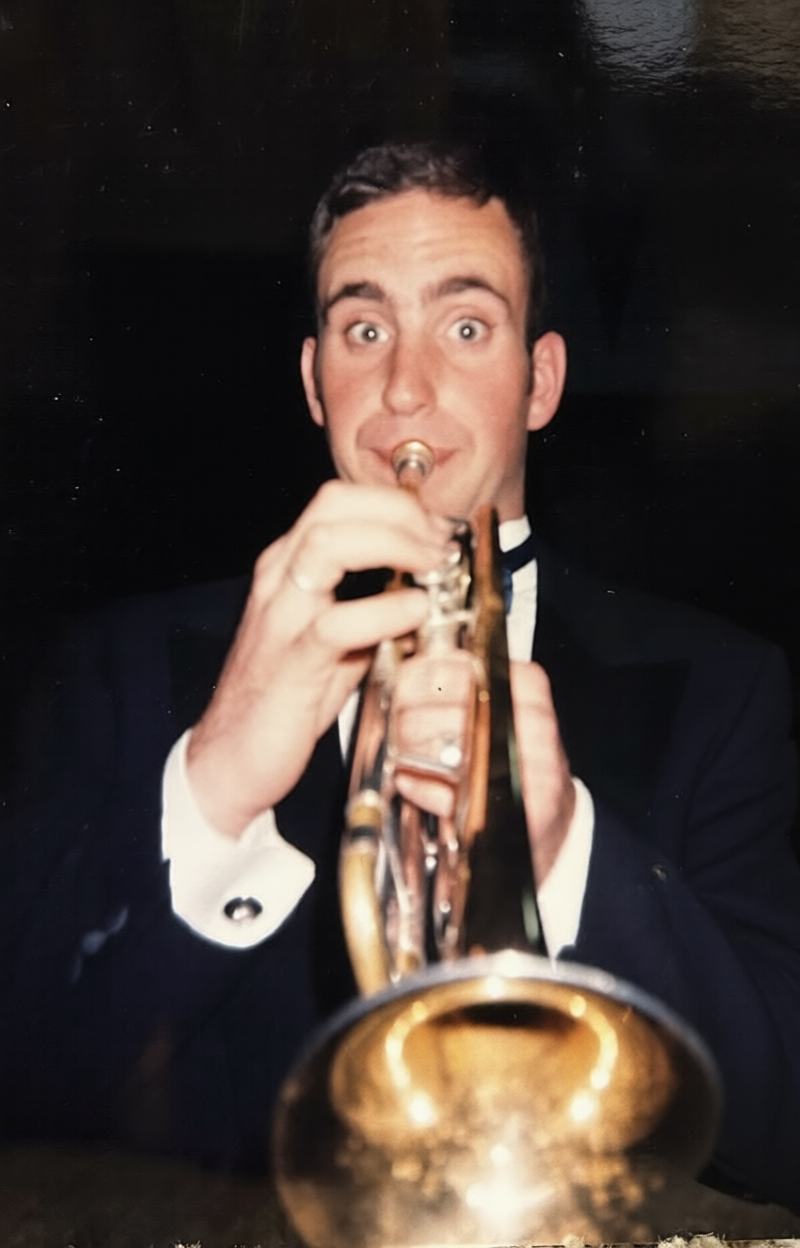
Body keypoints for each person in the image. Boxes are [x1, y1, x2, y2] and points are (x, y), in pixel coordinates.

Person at [1, 140, 800, 1210]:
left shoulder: (719, 686)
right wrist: (215, 783)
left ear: (540, 380)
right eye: (362, 328)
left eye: (464, 328)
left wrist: (563, 847)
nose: (405, 389)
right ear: (312, 383)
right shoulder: (120, 663)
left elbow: (778, 1132)